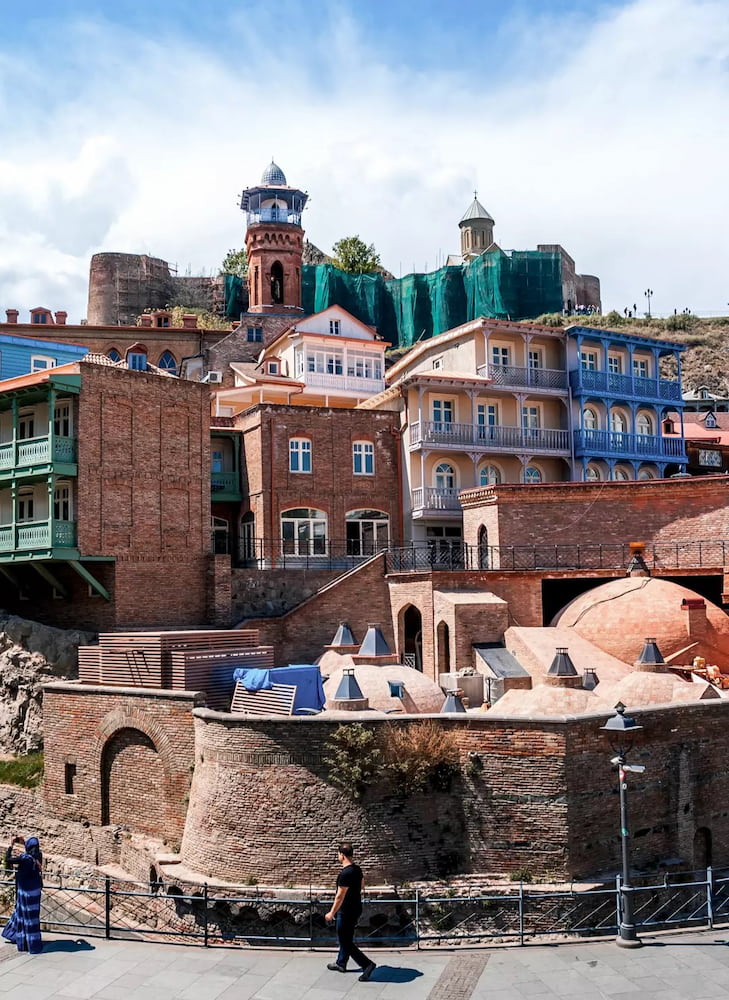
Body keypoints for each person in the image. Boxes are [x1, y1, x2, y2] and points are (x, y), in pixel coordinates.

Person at [325, 843, 376, 982]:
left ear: (342, 855)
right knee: (347, 937)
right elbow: (362, 886)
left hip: (346, 911)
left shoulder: (345, 873)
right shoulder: (357, 869)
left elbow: (339, 896)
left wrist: (331, 913)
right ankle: (341, 963)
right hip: (356, 908)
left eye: (338, 854)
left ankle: (367, 964)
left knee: (345, 940)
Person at [2, 836, 43, 953]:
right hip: (35, 893)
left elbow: (8, 859)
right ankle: (33, 942)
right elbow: (32, 851)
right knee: (32, 918)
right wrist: (25, 843)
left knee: (23, 916)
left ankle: (25, 942)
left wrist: (11, 845)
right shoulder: (38, 856)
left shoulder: (24, 859)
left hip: (24, 893)